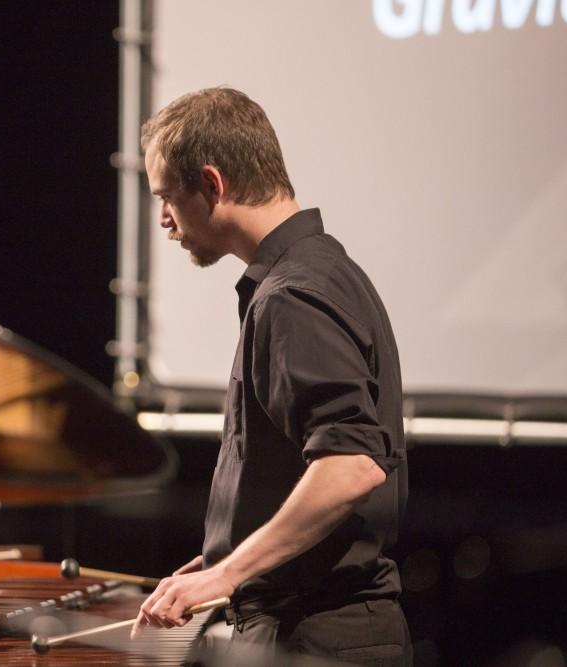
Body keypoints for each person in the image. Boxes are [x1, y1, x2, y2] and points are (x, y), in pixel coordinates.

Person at [131, 88, 411, 665]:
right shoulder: (322, 269)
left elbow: (351, 465)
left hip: (317, 638)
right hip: (323, 630)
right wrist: (227, 556)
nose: (163, 219)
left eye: (167, 198)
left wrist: (227, 575)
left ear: (213, 184)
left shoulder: (293, 296)